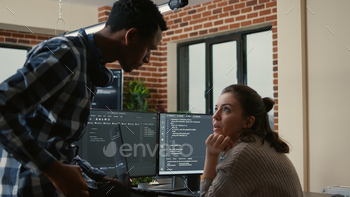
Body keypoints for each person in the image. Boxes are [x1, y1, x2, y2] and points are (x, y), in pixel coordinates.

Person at [0, 0, 167, 196]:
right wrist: (55, 171)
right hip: (31, 188)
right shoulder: (67, 55)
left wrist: (97, 176)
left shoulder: (88, 66)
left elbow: (56, 143)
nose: (147, 58)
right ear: (130, 36)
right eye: (149, 49)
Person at [201, 84, 303, 197]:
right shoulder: (262, 144)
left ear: (248, 122)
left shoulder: (242, 154)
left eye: (226, 109)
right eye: (216, 108)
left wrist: (211, 153)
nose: (215, 115)